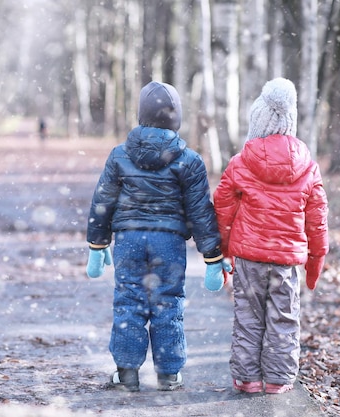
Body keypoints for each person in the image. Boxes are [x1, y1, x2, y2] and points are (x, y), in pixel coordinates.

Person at [85, 81, 231, 392]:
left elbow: (103, 201)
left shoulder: (119, 155)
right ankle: (169, 373)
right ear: (176, 118)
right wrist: (212, 255)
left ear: (141, 115)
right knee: (168, 302)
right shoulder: (189, 160)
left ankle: (126, 373)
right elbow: (200, 211)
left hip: (129, 240)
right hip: (169, 243)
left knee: (129, 301)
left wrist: (97, 244)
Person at [213, 77, 329, 394]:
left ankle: (247, 378)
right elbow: (317, 219)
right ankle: (278, 379)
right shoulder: (308, 166)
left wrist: (220, 252)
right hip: (286, 262)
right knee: (284, 318)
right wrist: (316, 260)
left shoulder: (241, 162)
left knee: (249, 318)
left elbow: (222, 208)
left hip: (249, 259)